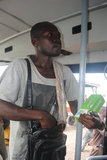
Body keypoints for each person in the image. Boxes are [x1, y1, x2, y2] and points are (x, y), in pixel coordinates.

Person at [0, 21, 104, 160]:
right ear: (35, 42)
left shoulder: (64, 72)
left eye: (58, 36)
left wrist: (94, 120)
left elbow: (75, 107)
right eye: (50, 35)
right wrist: (41, 116)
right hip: (24, 151)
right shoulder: (20, 67)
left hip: (54, 146)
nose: (56, 39)